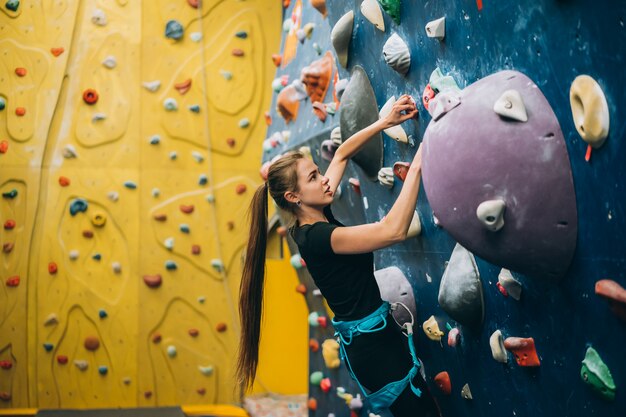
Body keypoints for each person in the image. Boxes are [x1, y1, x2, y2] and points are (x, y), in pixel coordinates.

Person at [237, 95, 441, 417]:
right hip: (374, 350)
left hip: (374, 338)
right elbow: (393, 230)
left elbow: (343, 152)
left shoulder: (313, 211)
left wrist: (384, 122)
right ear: (294, 197)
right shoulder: (318, 237)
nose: (324, 180)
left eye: (318, 171)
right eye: (314, 178)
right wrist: (418, 163)